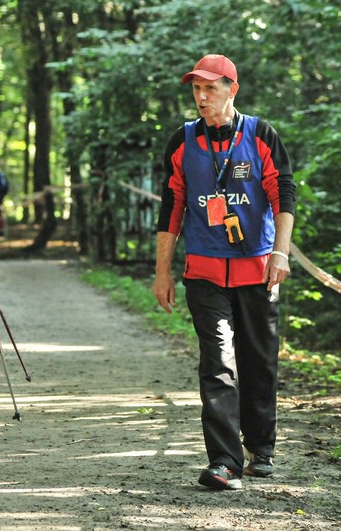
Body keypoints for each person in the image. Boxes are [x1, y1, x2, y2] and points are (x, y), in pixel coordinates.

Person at [152, 54, 296, 490]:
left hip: (258, 271)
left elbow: (283, 195)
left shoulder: (261, 134)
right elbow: (171, 206)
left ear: (232, 89)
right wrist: (163, 271)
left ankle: (261, 449)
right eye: (196, 88)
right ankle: (224, 462)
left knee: (258, 361)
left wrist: (281, 252)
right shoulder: (184, 140)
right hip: (205, 273)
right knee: (218, 364)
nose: (201, 96)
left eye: (210, 88)